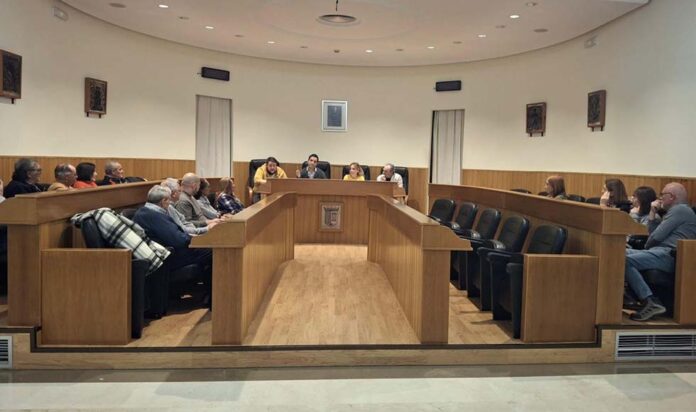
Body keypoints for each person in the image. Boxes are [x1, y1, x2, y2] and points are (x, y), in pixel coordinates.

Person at [624, 182, 696, 321]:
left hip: (669, 255)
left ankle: (649, 300)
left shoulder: (680, 210)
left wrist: (646, 247)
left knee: (624, 259)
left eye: (662, 195)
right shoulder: (678, 211)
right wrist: (652, 214)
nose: (660, 198)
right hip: (659, 252)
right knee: (617, 253)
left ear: (672, 197)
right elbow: (653, 235)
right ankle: (630, 297)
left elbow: (655, 237)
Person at [133, 185, 213, 298]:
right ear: (163, 201)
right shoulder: (154, 216)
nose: (170, 204)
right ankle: (213, 295)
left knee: (209, 249)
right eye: (169, 201)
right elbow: (179, 240)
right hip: (169, 257)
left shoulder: (145, 212)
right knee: (213, 251)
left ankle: (209, 294)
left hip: (167, 252)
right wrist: (196, 238)